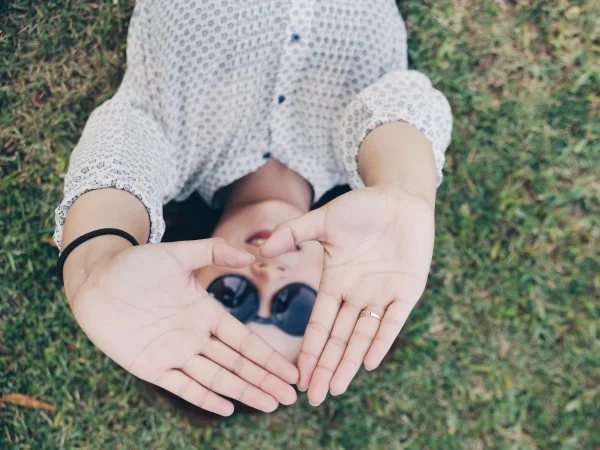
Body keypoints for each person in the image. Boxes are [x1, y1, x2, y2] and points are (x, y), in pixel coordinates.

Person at [55, 0, 452, 417]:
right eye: (295, 305)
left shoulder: (171, 148)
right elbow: (404, 102)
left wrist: (93, 262)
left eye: (232, 298)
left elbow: (122, 151)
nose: (266, 276)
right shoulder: (370, 159)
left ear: (190, 278)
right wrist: (405, 189)